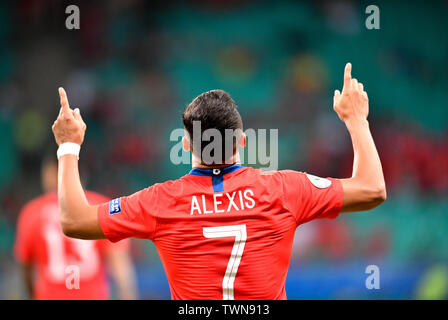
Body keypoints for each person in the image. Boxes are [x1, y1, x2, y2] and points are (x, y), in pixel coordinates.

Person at [51, 63, 386, 300]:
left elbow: (73, 220)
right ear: (241, 140)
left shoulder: (160, 202)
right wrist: (357, 119)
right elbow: (372, 189)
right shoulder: (283, 190)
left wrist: (68, 145)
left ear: (185, 143)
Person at [14, 155, 138, 300]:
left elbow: (25, 270)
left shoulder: (31, 213)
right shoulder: (103, 207)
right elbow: (121, 271)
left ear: (51, 172)